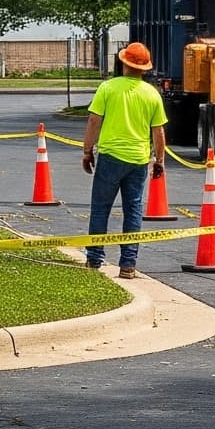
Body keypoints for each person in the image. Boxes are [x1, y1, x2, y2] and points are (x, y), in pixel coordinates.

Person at [80, 40, 167, 280]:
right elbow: (158, 132)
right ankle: (128, 263)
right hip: (138, 160)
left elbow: (94, 121)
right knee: (133, 209)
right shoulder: (152, 94)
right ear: (144, 68)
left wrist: (87, 150)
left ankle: (94, 257)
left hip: (110, 157)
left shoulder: (107, 88)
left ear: (124, 63)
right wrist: (159, 159)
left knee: (100, 207)